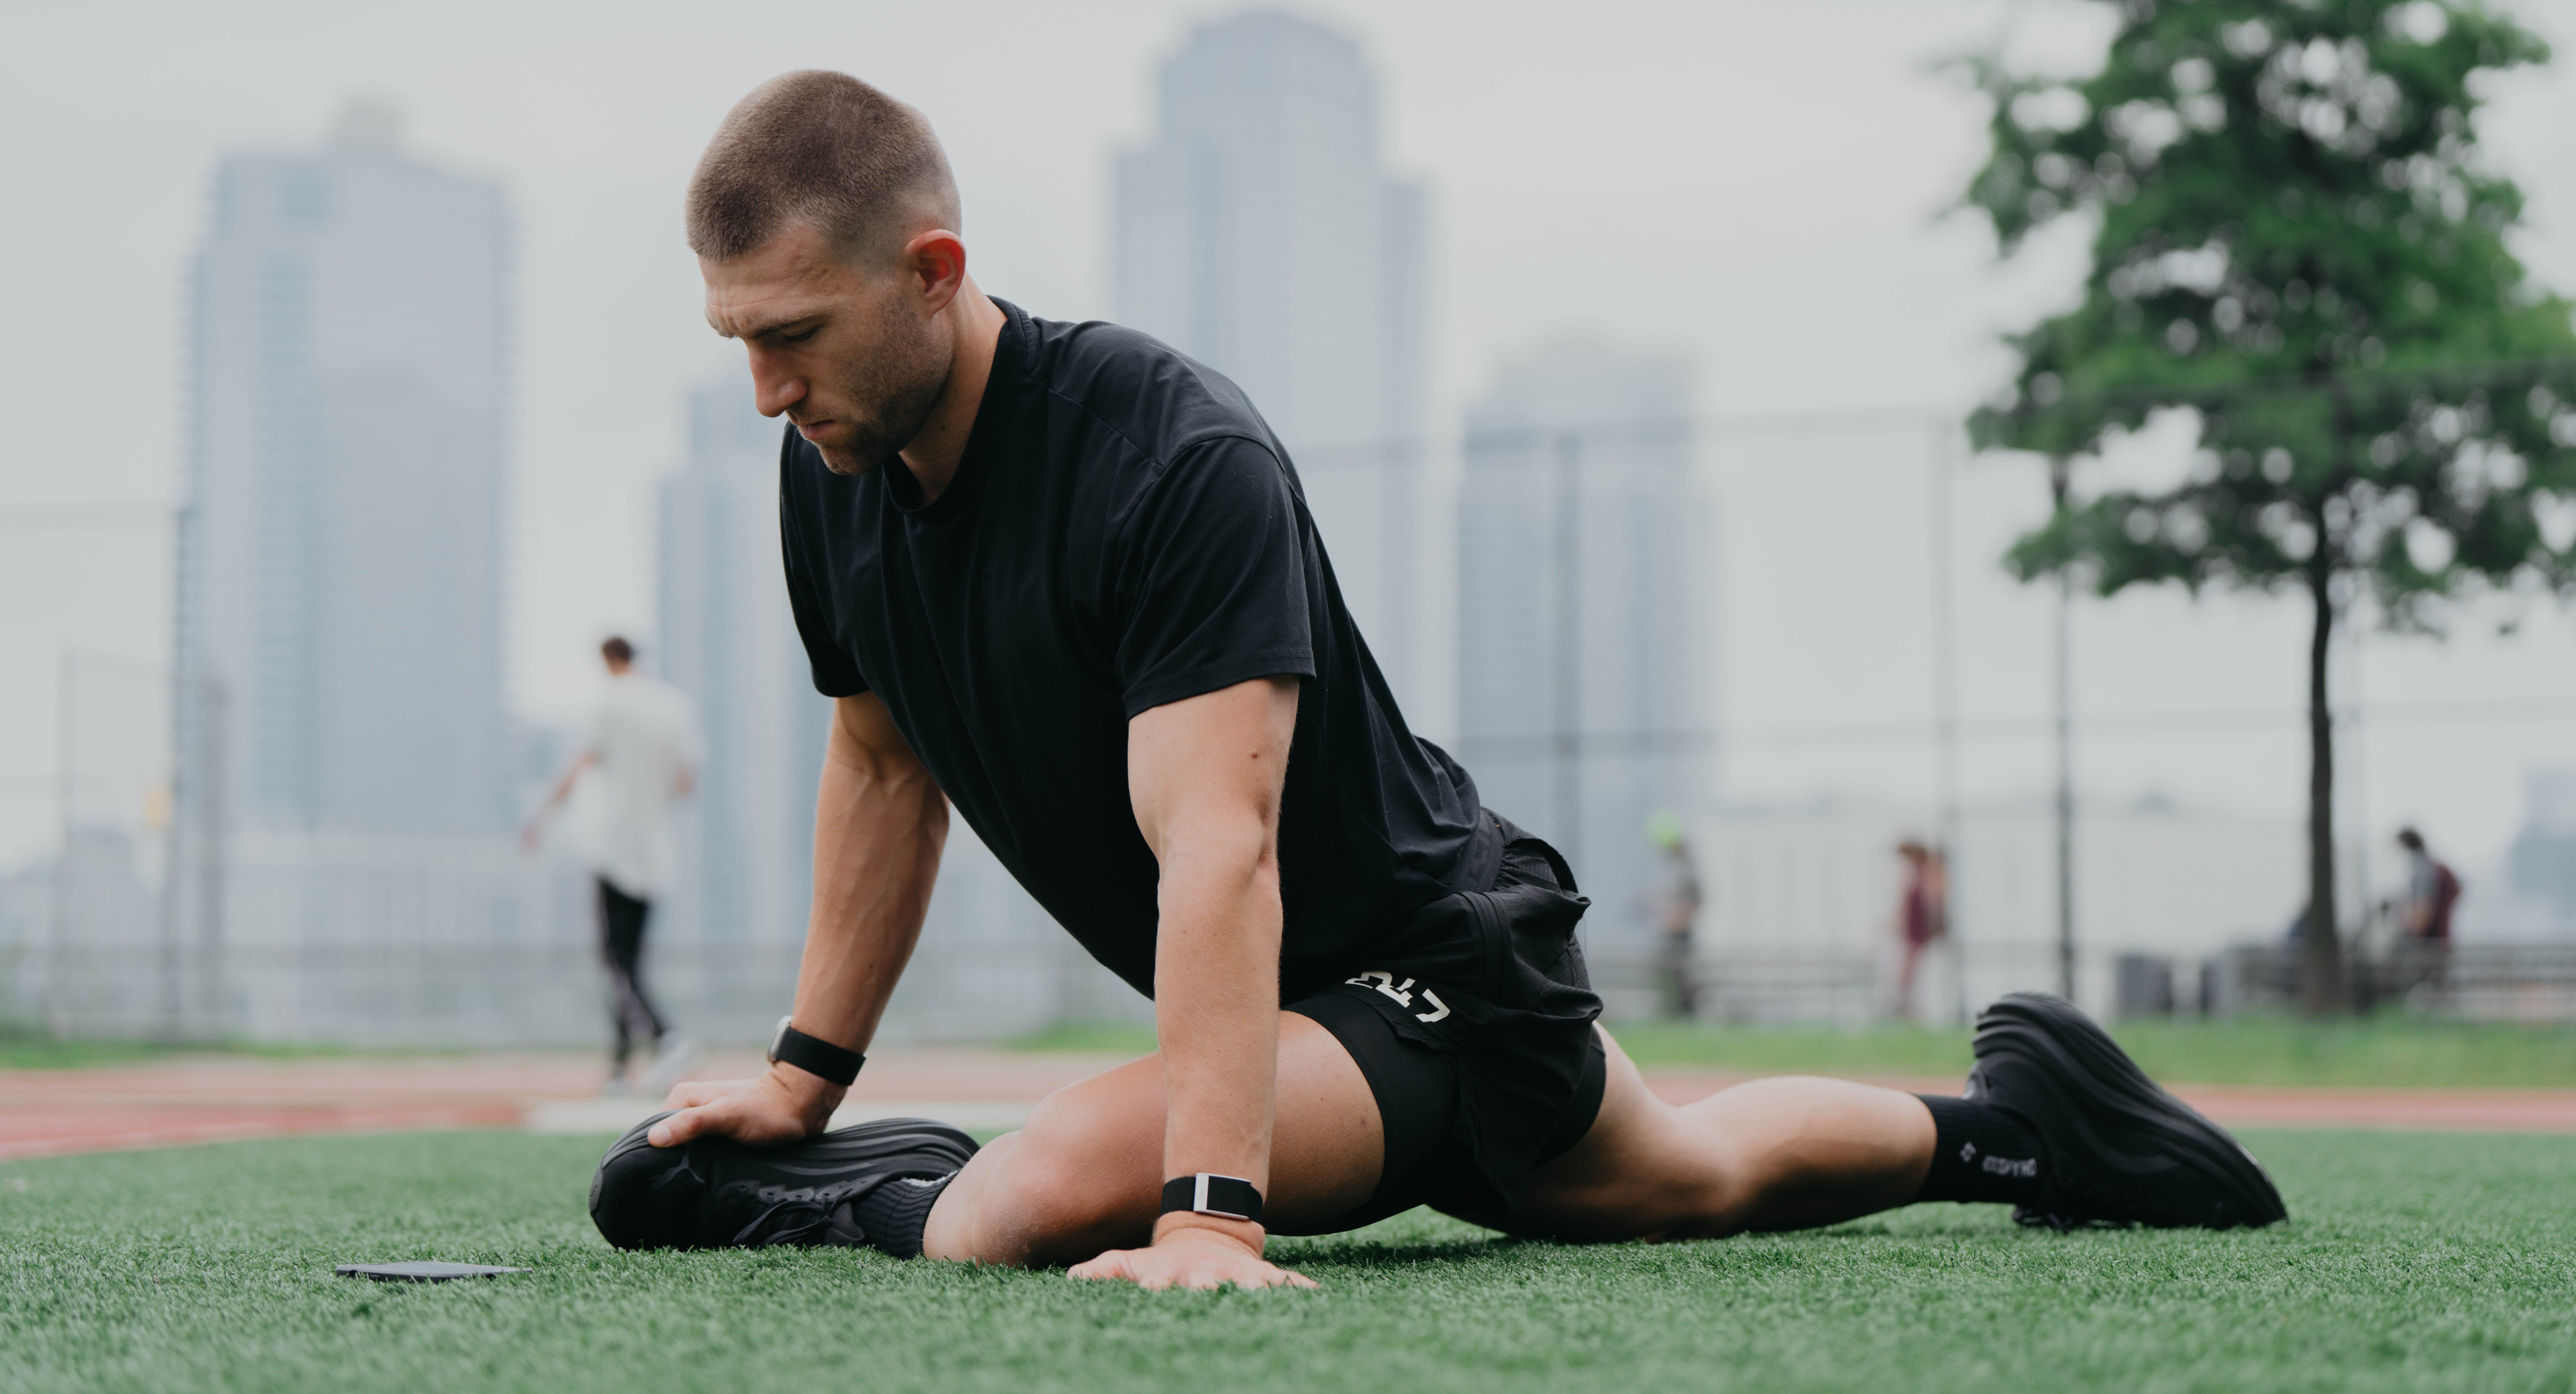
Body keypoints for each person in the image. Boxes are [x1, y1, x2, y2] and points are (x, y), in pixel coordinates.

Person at [586, 71, 2284, 1289]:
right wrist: (803, 1072)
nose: (761, 386)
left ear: (934, 272)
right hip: (1331, 1014)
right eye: (736, 336)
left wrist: (1205, 1210)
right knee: (1682, 1175)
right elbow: (885, 767)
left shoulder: (1167, 452)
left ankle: (865, 1196)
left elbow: (1219, 844)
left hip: (1424, 969)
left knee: (1024, 1191)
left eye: (790, 331)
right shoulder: (832, 472)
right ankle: (2017, 1131)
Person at [525, 635, 706, 1097]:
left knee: (615, 960)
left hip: (612, 846)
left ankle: (667, 1038)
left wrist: (542, 817)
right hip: (657, 852)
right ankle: (620, 1067)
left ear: (607, 659)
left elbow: (580, 763)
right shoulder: (674, 706)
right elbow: (686, 782)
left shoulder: (607, 705)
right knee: (628, 959)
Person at [1646, 812, 1701, 1021]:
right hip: (1670, 932)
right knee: (1668, 976)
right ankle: (1675, 1015)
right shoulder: (1674, 867)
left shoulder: (1686, 868)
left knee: (1683, 977)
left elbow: (1693, 900)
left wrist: (1676, 919)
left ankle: (1686, 1016)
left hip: (1680, 933)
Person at [1893, 839, 1949, 1023]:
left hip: (1921, 931)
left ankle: (1910, 1011)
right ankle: (1907, 1011)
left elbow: (1934, 901)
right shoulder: (1918, 874)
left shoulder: (1930, 874)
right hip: (1914, 930)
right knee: (1908, 974)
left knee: (1911, 974)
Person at [2394, 827, 2463, 945]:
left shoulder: (2423, 871)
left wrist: (2401, 917)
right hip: (2440, 943)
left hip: (2427, 949)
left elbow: (2421, 921)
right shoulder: (2436, 867)